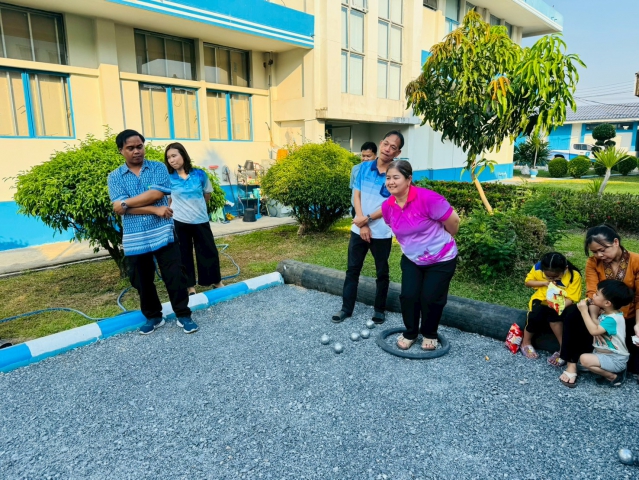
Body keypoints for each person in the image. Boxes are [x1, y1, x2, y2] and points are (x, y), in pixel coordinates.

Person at [108, 129, 198, 335]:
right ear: (121, 150)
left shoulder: (158, 167)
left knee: (174, 274)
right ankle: (154, 316)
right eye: (130, 148)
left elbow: (156, 194)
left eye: (140, 146)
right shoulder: (114, 177)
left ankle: (183, 315)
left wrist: (125, 203)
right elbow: (119, 209)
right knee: (141, 279)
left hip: (162, 231)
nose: (136, 151)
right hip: (135, 236)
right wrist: (154, 209)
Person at [381, 160, 460, 350]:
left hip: (441, 258)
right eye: (388, 178)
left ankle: (430, 333)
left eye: (396, 177)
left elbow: (454, 222)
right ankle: (411, 332)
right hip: (412, 259)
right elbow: (397, 229)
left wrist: (441, 240)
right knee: (408, 296)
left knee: (431, 297)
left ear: (409, 179)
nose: (391, 182)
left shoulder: (428, 198)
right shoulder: (387, 207)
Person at [332, 131, 404, 324]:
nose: (387, 149)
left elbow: (392, 203)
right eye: (386, 144)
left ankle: (379, 310)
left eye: (393, 147)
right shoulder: (364, 167)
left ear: (398, 153)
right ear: (381, 143)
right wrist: (361, 221)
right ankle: (346, 309)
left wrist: (368, 219)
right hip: (359, 229)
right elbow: (357, 195)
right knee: (352, 270)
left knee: (382, 272)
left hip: (381, 232)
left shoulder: (396, 174)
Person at [559, 224, 639, 387]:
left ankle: (615, 367)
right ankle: (571, 364)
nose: (599, 255)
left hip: (629, 317)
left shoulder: (636, 261)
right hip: (603, 314)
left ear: (615, 242)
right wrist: (595, 320)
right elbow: (592, 293)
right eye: (594, 252)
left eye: (603, 250)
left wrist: (638, 324)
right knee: (573, 312)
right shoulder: (593, 262)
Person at [165, 143, 224, 295]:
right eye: (169, 157)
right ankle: (189, 286)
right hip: (179, 221)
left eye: (174, 156)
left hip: (200, 220)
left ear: (183, 155)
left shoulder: (199, 174)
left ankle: (215, 281)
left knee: (208, 251)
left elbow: (207, 194)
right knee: (183, 254)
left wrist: (196, 208)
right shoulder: (169, 178)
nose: (171, 160)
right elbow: (169, 200)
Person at [570, 280, 635, 388]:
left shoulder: (612, 319)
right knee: (581, 365)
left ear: (607, 303)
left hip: (615, 358)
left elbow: (594, 331)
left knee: (584, 359)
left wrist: (584, 311)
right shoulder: (608, 313)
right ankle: (609, 370)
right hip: (605, 355)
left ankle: (614, 376)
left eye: (597, 294)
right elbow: (598, 324)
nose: (593, 295)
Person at [521, 252, 582, 365]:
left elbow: (572, 298)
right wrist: (544, 283)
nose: (552, 279)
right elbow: (528, 282)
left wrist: (558, 306)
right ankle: (526, 342)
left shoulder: (574, 275)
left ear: (565, 269)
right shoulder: (538, 267)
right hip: (541, 299)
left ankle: (563, 349)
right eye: (548, 276)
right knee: (535, 315)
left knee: (555, 317)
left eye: (555, 276)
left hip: (562, 302)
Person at [350, 142, 378, 217]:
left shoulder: (379, 170)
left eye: (368, 156)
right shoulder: (355, 169)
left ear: (375, 155)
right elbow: (352, 187)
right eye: (363, 156)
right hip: (356, 208)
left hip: (372, 210)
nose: (365, 159)